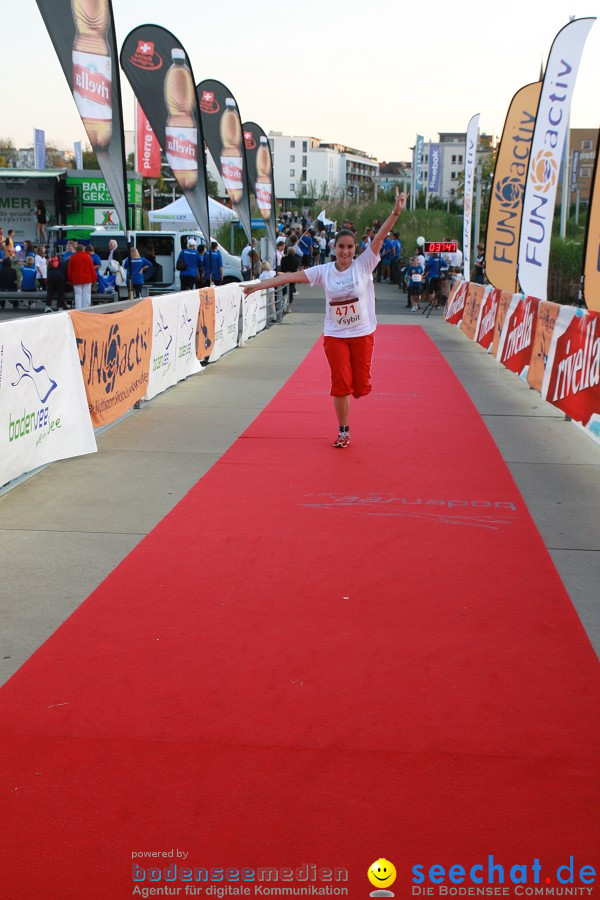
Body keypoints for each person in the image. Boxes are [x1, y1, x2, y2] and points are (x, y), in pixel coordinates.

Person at [242, 190, 408, 448]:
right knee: (340, 384)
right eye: (341, 247)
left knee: (360, 388)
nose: (345, 251)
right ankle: (343, 431)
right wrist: (257, 286)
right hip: (335, 336)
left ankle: (358, 388)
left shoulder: (364, 265)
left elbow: (380, 236)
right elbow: (288, 276)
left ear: (355, 249)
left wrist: (396, 212)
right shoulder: (324, 271)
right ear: (334, 248)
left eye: (350, 247)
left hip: (362, 333)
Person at [67, 243, 97, 309]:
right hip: (87, 278)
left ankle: (78, 309)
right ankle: (86, 309)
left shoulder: (72, 258)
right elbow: (92, 268)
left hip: (76, 279)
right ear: (83, 249)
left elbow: (69, 270)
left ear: (76, 250)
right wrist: (94, 277)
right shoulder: (87, 257)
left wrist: (69, 279)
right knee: (87, 294)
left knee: (78, 295)